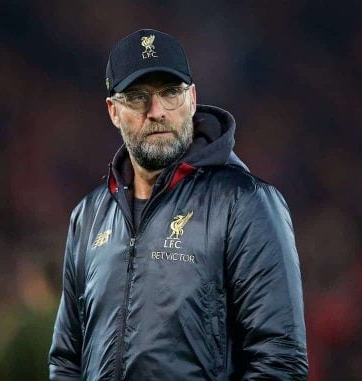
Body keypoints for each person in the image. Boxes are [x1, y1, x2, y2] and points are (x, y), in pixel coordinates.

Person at [48, 28, 308, 380]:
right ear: (113, 110)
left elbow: (279, 361)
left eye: (171, 93)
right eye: (138, 97)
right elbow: (66, 360)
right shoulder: (88, 217)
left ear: (193, 99)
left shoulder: (245, 204)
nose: (156, 111)